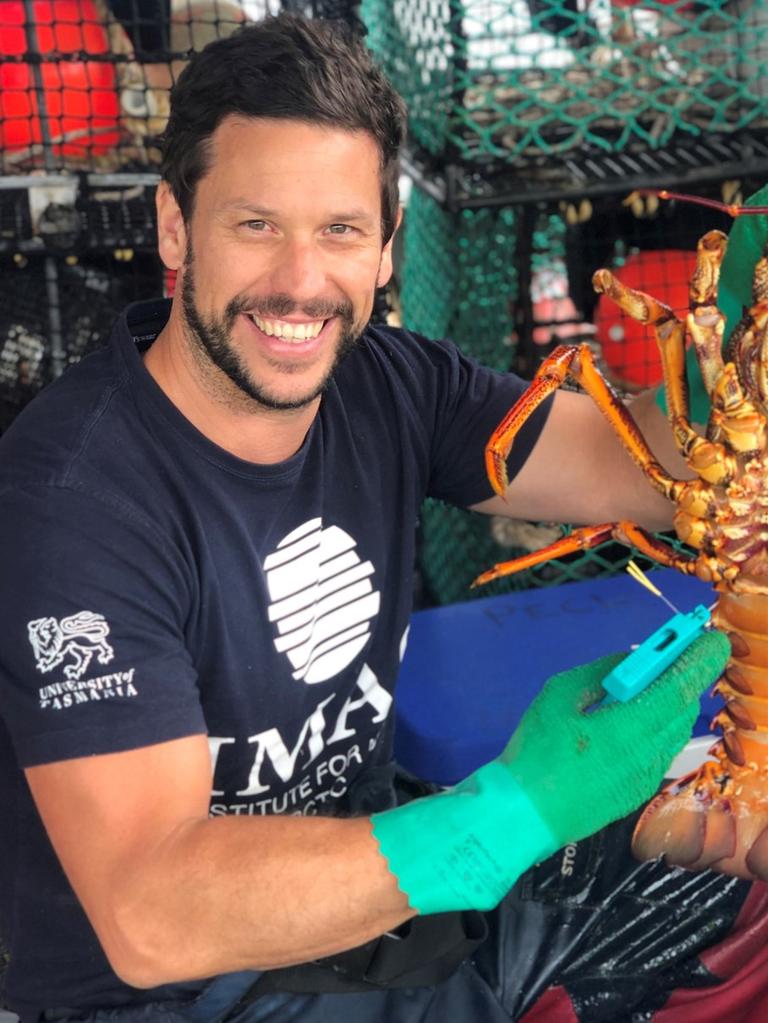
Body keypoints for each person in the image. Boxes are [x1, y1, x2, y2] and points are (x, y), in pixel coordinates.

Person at [0, 14, 731, 1023]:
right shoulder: (72, 499)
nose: (301, 282)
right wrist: (508, 816)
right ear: (174, 228)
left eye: (340, 230)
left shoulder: (391, 386)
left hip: (373, 919)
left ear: (387, 248)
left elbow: (632, 466)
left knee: (727, 878)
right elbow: (150, 914)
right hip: (181, 994)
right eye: (256, 225)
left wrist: (733, 347)